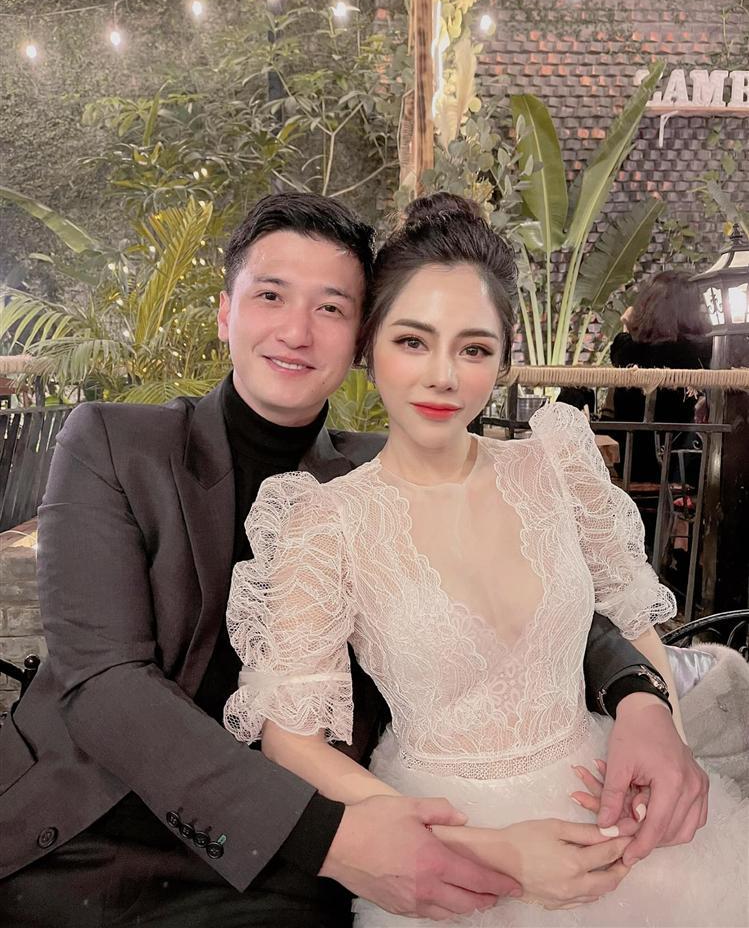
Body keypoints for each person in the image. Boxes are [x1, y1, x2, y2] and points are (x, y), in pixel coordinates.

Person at [0, 193, 708, 928]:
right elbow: (105, 682)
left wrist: (641, 694)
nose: (297, 331)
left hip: (292, 862)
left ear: (357, 337)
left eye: (331, 308)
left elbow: (545, 601)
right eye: (271, 296)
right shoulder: (116, 443)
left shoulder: (384, 471)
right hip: (99, 829)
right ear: (225, 313)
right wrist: (343, 839)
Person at [223, 193, 748, 927]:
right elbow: (290, 740)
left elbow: (632, 622)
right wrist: (482, 848)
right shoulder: (323, 522)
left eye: (473, 349)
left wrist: (665, 733)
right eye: (413, 341)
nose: (443, 375)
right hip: (451, 831)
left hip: (609, 796)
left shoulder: (557, 466)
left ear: (501, 360)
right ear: (369, 348)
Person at [606, 270, 712, 483]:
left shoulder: (626, 350)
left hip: (631, 462)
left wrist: (629, 326)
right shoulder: (702, 350)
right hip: (687, 464)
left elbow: (631, 344)